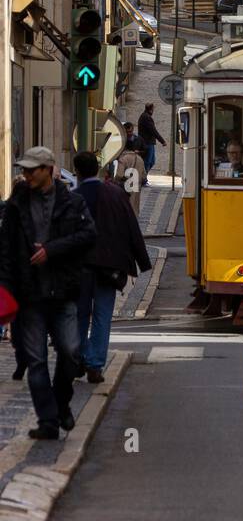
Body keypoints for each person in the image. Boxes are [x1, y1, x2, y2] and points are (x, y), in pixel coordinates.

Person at [0, 147, 95, 439]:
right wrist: (5, 289)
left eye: (33, 170)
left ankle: (61, 403)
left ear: (49, 169)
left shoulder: (71, 202)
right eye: (25, 170)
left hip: (63, 291)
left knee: (70, 352)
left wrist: (51, 251)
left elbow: (88, 235)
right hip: (29, 295)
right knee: (36, 360)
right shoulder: (16, 205)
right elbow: (5, 250)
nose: (27, 175)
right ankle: (49, 421)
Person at [72, 152, 151, 385]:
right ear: (98, 169)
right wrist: (142, 261)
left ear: (76, 172)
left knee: (79, 315)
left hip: (82, 267)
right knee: (102, 315)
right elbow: (131, 228)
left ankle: (79, 360)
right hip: (110, 266)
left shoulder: (74, 197)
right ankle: (95, 364)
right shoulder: (117, 195)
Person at [114, 146, 147, 217]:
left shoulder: (123, 159)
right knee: (134, 205)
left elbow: (119, 175)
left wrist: (114, 181)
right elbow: (144, 176)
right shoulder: (140, 159)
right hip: (136, 186)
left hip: (126, 186)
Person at [136, 103, 166, 180]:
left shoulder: (144, 116)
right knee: (148, 161)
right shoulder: (146, 118)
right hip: (147, 143)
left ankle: (143, 177)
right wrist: (162, 141)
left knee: (151, 161)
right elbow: (153, 131)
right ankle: (142, 178)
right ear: (151, 109)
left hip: (148, 142)